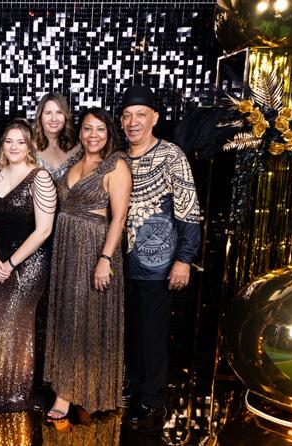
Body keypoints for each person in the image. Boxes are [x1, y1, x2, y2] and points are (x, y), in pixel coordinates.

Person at [120, 86, 201, 427]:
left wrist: (184, 259)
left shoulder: (171, 155)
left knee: (152, 333)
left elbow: (189, 210)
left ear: (154, 117)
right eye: (127, 116)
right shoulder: (119, 158)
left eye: (140, 115)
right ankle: (135, 387)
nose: (133, 122)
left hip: (158, 264)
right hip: (121, 264)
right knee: (130, 330)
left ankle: (152, 400)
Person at [44, 108, 131, 421]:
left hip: (94, 247)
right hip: (66, 247)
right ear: (79, 132)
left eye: (100, 129)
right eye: (87, 129)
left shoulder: (116, 165)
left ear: (109, 133)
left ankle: (72, 394)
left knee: (88, 317)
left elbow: (119, 218)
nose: (93, 135)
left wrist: (105, 259)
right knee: (68, 317)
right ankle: (67, 384)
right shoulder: (74, 160)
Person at [0, 119, 57, 412]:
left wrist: (10, 264)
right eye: (9, 141)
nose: (14, 146)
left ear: (30, 145)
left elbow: (43, 230)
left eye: (20, 141)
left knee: (13, 321)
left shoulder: (40, 178)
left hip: (29, 264)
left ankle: (16, 390)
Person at [33, 92, 81, 181]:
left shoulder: (78, 148)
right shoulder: (28, 147)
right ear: (40, 116)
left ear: (65, 116)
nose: (54, 119)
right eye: (48, 113)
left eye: (59, 112)